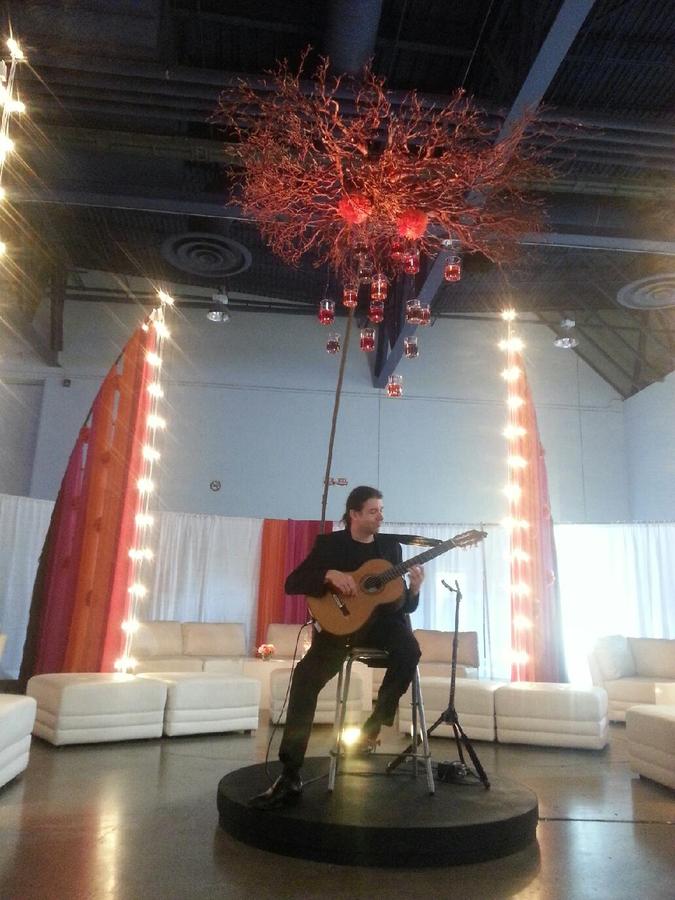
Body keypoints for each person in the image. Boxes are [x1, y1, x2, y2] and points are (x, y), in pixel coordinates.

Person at [250, 485, 424, 809]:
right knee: (304, 679)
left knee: (410, 651)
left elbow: (400, 604)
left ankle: (373, 726)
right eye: (373, 511)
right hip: (339, 629)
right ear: (354, 514)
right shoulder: (330, 544)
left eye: (381, 510)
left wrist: (413, 590)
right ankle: (290, 773)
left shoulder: (390, 548)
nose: (380, 517)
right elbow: (293, 583)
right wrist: (329, 574)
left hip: (382, 628)